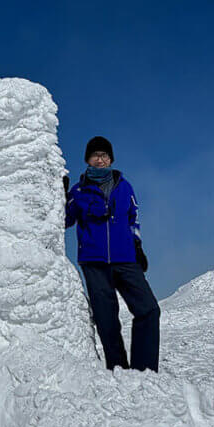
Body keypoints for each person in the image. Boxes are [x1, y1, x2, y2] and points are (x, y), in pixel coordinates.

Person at [64, 137, 161, 371]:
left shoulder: (124, 186)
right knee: (106, 319)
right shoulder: (78, 191)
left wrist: (137, 246)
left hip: (126, 258)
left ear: (111, 159)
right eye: (95, 155)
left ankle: (144, 371)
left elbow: (133, 218)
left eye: (104, 155)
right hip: (94, 261)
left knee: (149, 309)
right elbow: (65, 220)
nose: (100, 159)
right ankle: (118, 369)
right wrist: (59, 195)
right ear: (87, 159)